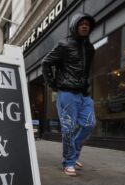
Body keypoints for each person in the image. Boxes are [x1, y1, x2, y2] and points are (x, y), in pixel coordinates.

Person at [42, 13, 96, 176]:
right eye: (81, 24)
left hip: (84, 94)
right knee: (68, 128)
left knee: (89, 124)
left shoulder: (90, 48)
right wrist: (53, 84)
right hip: (67, 94)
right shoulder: (64, 45)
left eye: (87, 24)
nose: (85, 26)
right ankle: (69, 162)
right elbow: (46, 62)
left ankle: (75, 151)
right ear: (74, 26)